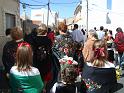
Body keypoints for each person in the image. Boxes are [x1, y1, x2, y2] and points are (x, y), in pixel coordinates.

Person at [32, 24, 53, 93]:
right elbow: (50, 50)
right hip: (46, 60)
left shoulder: (34, 39)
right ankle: (43, 88)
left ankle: (38, 87)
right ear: (46, 32)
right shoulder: (48, 40)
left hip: (36, 60)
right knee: (46, 75)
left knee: (37, 74)